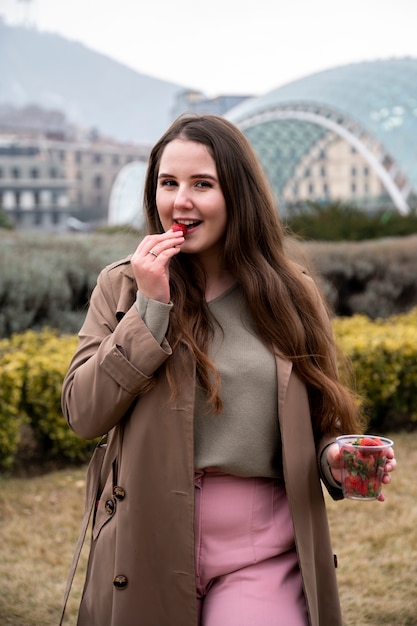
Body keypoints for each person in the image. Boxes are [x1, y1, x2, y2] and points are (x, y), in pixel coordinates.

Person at [61, 114, 396, 626]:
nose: (181, 201)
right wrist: (150, 308)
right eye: (168, 183)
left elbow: (319, 421)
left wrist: (336, 457)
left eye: (203, 184)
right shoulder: (122, 287)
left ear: (237, 195)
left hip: (262, 551)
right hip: (148, 540)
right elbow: (84, 414)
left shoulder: (290, 292)